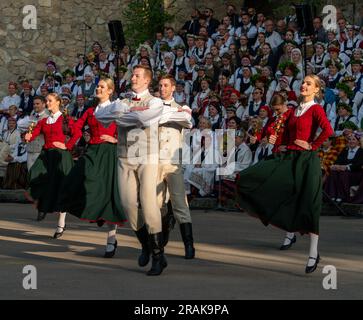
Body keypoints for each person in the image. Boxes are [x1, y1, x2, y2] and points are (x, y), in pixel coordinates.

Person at [95, 65, 192, 276]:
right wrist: (129, 112)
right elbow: (101, 118)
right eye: (133, 75)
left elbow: (145, 119)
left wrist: (124, 115)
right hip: (124, 157)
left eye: (137, 75)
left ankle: (158, 255)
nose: (133, 78)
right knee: (128, 205)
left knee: (149, 205)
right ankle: (146, 245)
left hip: (148, 157)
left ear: (147, 81)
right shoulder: (122, 100)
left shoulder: (155, 101)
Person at [236, 75, 334, 273]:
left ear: (316, 90)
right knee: (256, 180)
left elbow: (328, 130)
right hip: (289, 158)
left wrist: (312, 145)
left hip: (307, 161)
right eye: (303, 82)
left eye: (308, 83)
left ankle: (313, 252)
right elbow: (279, 130)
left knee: (309, 205)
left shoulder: (316, 109)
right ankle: (290, 232)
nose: (304, 85)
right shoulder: (293, 110)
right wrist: (274, 141)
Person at [57, 78, 127, 258]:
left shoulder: (117, 108)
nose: (98, 88)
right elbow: (77, 129)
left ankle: (111, 240)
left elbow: (129, 130)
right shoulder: (90, 110)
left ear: (110, 90)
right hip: (93, 151)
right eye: (98, 86)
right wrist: (66, 124)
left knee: (108, 194)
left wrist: (117, 140)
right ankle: (70, 218)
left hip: (109, 153)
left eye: (102, 86)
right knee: (73, 180)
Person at [25, 93, 76, 238]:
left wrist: (67, 145)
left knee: (61, 188)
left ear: (58, 102)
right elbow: (33, 134)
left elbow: (77, 133)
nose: (47, 103)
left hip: (61, 157)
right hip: (46, 156)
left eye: (50, 101)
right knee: (34, 175)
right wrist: (28, 137)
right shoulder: (43, 121)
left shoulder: (65, 119)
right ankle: (42, 204)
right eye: (46, 101)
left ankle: (61, 224)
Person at [157, 75, 195, 259]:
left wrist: (162, 115)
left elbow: (188, 120)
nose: (162, 88)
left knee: (180, 204)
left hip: (172, 164)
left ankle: (189, 244)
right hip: (155, 163)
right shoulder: (153, 106)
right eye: (160, 85)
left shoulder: (183, 107)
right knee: (158, 205)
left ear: (173, 88)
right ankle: (160, 242)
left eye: (166, 85)